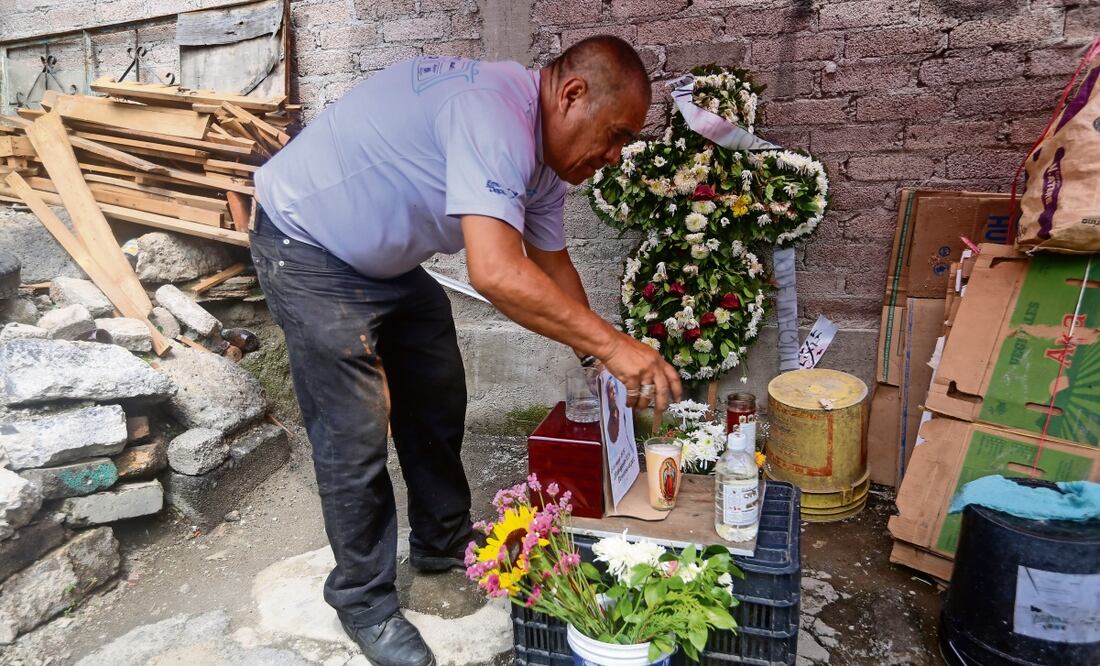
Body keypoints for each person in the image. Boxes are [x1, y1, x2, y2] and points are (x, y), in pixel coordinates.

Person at [250, 35, 682, 666]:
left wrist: (598, 359)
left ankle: (441, 543)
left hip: (386, 264)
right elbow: (498, 274)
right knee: (354, 432)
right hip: (310, 246)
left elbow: (551, 266)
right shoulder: (493, 112)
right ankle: (362, 598)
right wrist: (617, 347)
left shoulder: (546, 161)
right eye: (614, 135)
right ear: (571, 94)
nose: (614, 156)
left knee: (436, 390)